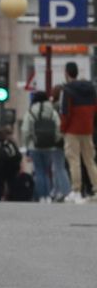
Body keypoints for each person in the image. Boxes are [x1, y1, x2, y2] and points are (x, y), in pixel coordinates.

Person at [57, 62, 97, 203]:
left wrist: (63, 129)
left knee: (74, 160)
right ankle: (96, 188)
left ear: (66, 73)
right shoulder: (91, 88)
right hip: (87, 129)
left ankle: (76, 191)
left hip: (72, 130)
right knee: (90, 160)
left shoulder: (66, 90)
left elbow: (65, 112)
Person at [21, 91, 70, 203]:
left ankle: (43, 196)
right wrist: (55, 139)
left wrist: (26, 144)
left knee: (39, 171)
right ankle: (48, 196)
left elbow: (25, 130)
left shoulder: (31, 111)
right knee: (47, 171)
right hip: (49, 146)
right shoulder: (52, 111)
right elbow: (58, 127)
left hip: (34, 145)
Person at [0, 125, 23, 202]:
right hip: (10, 168)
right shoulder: (9, 143)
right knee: (11, 185)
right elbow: (18, 155)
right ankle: (11, 199)